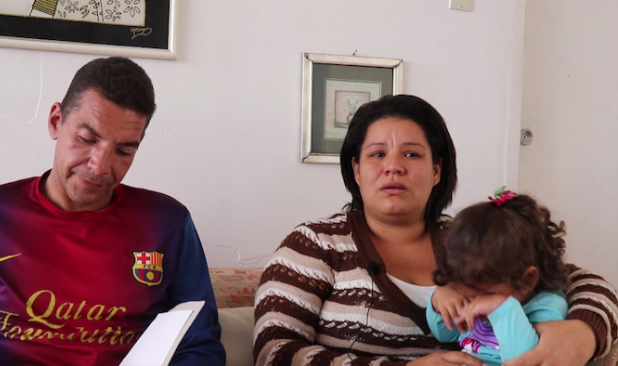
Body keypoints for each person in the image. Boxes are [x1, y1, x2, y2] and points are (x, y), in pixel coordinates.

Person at [253, 94, 618, 365]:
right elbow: (275, 352)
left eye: (412, 154)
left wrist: (584, 330)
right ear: (357, 168)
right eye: (377, 154)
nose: (393, 166)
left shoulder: (467, 238)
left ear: (437, 170)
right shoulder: (315, 244)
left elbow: (575, 279)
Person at [0, 57, 225, 365]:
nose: (99, 166)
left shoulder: (167, 222)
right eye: (87, 139)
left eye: (124, 150)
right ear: (55, 122)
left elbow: (200, 344)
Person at [427, 189, 570, 365]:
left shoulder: (547, 307)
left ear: (527, 279)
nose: (474, 303)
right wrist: (440, 300)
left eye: (486, 295)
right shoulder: (473, 293)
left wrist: (501, 308)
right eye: (467, 294)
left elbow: (526, 360)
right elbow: (445, 335)